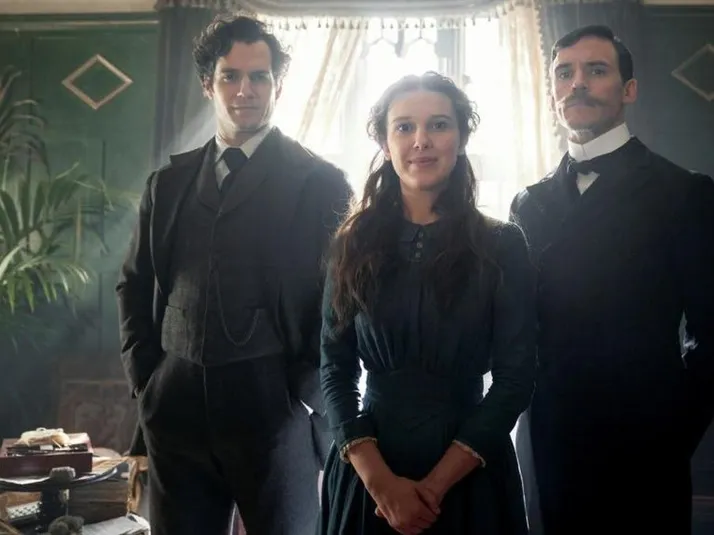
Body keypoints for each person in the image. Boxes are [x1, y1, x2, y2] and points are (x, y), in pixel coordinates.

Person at [116, 14, 352, 535]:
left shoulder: (320, 183)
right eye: (231, 76)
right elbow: (134, 282)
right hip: (175, 407)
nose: (245, 89)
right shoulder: (168, 183)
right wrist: (146, 381)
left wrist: (307, 396)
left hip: (277, 411)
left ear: (278, 85)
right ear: (209, 84)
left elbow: (342, 300)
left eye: (259, 76)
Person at [510, 25, 714, 534]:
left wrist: (673, 428)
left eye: (596, 70)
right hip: (549, 440)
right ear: (553, 94)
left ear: (629, 89)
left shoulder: (684, 193)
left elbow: (712, 333)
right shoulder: (527, 202)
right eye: (564, 73)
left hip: (646, 443)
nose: (577, 83)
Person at [318, 71, 536, 535]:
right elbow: (334, 368)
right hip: (369, 472)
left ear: (461, 137)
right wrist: (381, 485)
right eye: (404, 127)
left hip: (470, 470)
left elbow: (516, 379)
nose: (422, 140)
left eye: (439, 124)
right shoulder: (351, 243)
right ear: (384, 142)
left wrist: (432, 490)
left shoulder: (502, 244)